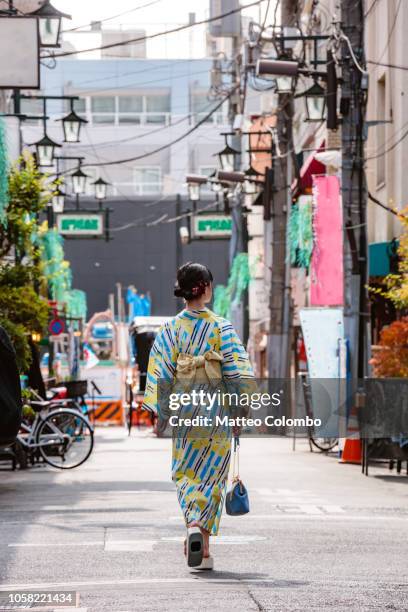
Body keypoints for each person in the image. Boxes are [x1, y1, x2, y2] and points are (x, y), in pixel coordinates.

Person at [142, 262, 254, 570]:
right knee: (213, 475)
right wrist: (240, 410)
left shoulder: (170, 330)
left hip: (185, 409)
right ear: (204, 287)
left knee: (186, 472)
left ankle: (192, 524)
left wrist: (160, 413)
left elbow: (160, 373)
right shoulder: (222, 327)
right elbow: (236, 370)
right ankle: (203, 547)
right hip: (215, 408)